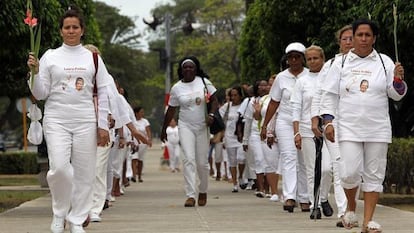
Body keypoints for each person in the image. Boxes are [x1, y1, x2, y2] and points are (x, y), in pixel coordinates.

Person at [26, 6, 113, 233]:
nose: (71, 31)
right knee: (60, 169)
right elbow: (40, 93)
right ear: (61, 31)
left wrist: (102, 125)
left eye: (75, 27)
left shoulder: (93, 58)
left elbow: (103, 92)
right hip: (56, 119)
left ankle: (76, 220)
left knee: (85, 172)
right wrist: (32, 74)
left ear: (82, 30)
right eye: (67, 27)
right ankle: (59, 213)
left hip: (85, 119)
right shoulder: (49, 56)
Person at [319, 18, 407, 233]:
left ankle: (368, 221)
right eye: (360, 35)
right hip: (348, 126)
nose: (364, 39)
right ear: (354, 38)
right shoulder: (340, 63)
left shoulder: (385, 62)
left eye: (368, 35)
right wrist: (328, 122)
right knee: (348, 173)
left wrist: (398, 80)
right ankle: (351, 206)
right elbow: (329, 95)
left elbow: (397, 94)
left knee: (374, 175)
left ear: (374, 38)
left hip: (377, 127)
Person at [161, 56, 219, 207]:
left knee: (202, 163)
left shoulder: (204, 82)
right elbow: (171, 110)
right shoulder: (177, 88)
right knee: (188, 160)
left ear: (196, 69)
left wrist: (212, 115)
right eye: (185, 67)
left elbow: (214, 100)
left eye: (191, 67)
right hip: (185, 125)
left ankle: (203, 190)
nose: (188, 69)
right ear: (181, 70)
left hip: (202, 126)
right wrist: (163, 129)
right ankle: (190, 195)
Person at [310, 25, 353, 227]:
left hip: (355, 123)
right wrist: (315, 119)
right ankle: (337, 207)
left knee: (349, 169)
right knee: (333, 167)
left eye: (352, 38)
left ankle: (344, 210)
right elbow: (320, 93)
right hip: (332, 122)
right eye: (345, 38)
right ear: (339, 42)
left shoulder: (368, 64)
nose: (349, 41)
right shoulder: (331, 65)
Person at [260, 42, 309, 212]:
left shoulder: (311, 75)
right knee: (289, 157)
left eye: (297, 57)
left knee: (304, 160)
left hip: (305, 122)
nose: (294, 61)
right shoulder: (281, 77)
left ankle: (305, 197)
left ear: (303, 59)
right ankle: (290, 197)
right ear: (287, 60)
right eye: (291, 58)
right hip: (286, 121)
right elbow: (274, 102)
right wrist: (265, 125)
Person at [291, 45, 333, 219]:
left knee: (327, 169)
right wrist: (296, 132)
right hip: (307, 130)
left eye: (316, 58)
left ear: (322, 58)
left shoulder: (330, 77)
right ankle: (314, 204)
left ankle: (323, 198)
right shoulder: (302, 81)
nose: (313, 61)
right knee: (311, 169)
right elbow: (296, 108)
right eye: (309, 59)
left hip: (329, 128)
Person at [220, 86, 247, 193]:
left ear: (240, 95)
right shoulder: (227, 107)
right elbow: (219, 118)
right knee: (232, 161)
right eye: (232, 95)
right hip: (229, 136)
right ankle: (235, 183)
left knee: (241, 158)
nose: (234, 97)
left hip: (240, 137)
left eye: (236, 95)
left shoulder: (244, 106)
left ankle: (240, 176)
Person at [131, 106, 153, 182]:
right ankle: (134, 176)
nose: (142, 114)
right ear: (136, 113)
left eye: (143, 112)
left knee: (140, 160)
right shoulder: (132, 121)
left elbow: (148, 131)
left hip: (143, 143)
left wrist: (149, 140)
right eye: (141, 112)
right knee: (134, 158)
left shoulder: (145, 121)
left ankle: (139, 176)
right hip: (135, 142)